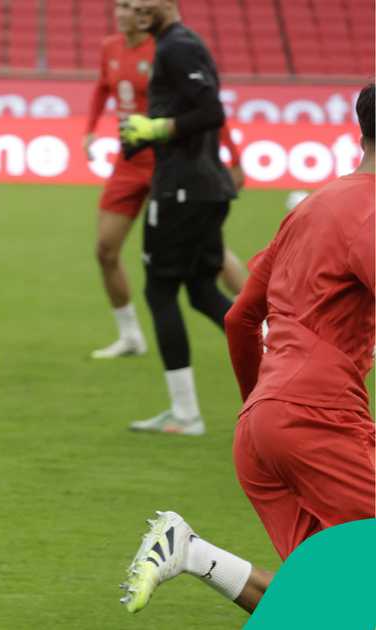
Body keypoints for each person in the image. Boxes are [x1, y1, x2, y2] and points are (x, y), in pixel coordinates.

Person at [119, 83, 375, 617]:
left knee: (331, 602)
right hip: (318, 417)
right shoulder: (370, 212)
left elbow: (240, 317)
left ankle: (192, 553)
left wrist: (259, 406)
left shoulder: (310, 206)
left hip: (263, 429)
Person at [86, 0, 245, 359]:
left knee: (208, 258)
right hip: (130, 163)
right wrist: (89, 129)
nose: (124, 13)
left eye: (131, 6)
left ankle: (263, 323)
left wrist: (232, 155)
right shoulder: (110, 47)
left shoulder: (167, 46)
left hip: (171, 164)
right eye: (120, 6)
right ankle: (129, 335)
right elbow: (101, 88)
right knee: (106, 248)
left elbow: (205, 108)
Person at [118, 0, 235, 435]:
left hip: (183, 190)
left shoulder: (177, 46)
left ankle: (186, 415)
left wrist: (157, 129)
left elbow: (211, 112)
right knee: (204, 291)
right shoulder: (175, 44)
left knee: (160, 291)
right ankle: (284, 367)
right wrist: (146, 132)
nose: (139, 7)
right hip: (203, 186)